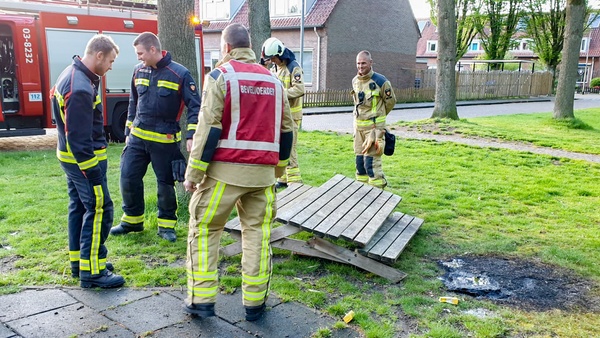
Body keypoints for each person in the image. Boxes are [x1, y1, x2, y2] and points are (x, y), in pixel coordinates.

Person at [182, 23, 293, 321]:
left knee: (205, 230)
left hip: (224, 175)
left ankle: (201, 300)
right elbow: (287, 132)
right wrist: (279, 169)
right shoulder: (275, 81)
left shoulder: (220, 76)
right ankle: (255, 304)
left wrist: (193, 175)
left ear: (227, 48)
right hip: (263, 178)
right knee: (258, 234)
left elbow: (208, 129)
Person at [110, 32, 201, 242]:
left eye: (141, 53)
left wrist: (191, 135)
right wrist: (127, 132)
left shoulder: (180, 74)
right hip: (137, 140)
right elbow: (133, 103)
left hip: (165, 141)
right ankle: (132, 221)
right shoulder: (137, 71)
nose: (138, 58)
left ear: (153, 49)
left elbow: (196, 107)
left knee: (165, 184)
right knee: (128, 177)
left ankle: (166, 226)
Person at [51, 34, 125, 288]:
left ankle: (80, 263)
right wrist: (92, 171)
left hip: (70, 160)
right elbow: (80, 138)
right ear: (99, 55)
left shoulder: (72, 74)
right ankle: (93, 271)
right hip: (83, 163)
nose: (111, 67)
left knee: (79, 208)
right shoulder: (80, 86)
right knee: (100, 209)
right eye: (111, 61)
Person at [261, 37, 305, 190]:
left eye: (273, 58)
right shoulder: (276, 68)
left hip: (292, 115)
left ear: (280, 54)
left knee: (290, 149)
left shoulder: (294, 67)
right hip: (281, 115)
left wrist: (280, 93)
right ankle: (284, 179)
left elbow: (300, 89)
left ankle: (295, 183)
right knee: (282, 147)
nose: (272, 61)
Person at [351, 50, 396, 189]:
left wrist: (379, 121)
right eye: (358, 63)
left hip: (374, 131)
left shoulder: (381, 82)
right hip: (358, 129)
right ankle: (361, 193)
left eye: (363, 63)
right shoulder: (355, 81)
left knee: (371, 164)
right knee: (360, 164)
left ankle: (378, 194)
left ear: (371, 63)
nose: (360, 66)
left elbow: (391, 102)